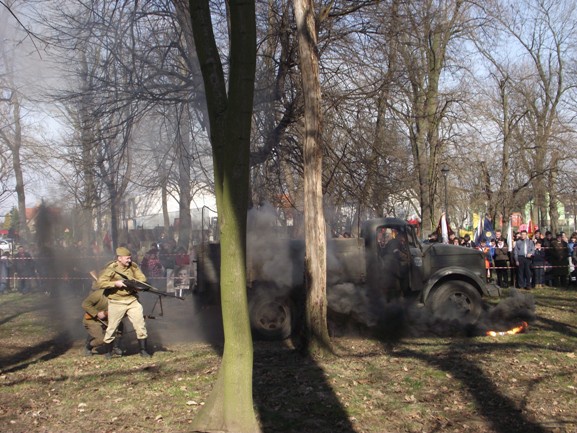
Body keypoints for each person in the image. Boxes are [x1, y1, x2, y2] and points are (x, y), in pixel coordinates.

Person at [95, 246, 152, 358]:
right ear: (119, 258)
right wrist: (115, 283)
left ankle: (143, 351)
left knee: (140, 326)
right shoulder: (111, 268)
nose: (129, 260)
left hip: (132, 300)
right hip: (116, 302)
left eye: (130, 258)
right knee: (112, 328)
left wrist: (135, 284)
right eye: (127, 258)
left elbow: (143, 279)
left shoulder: (133, 267)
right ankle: (108, 352)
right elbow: (100, 283)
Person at [81, 288, 123, 356]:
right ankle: (88, 346)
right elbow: (85, 304)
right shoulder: (98, 294)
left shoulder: (121, 296)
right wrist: (97, 313)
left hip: (107, 319)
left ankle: (115, 347)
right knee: (102, 340)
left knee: (120, 326)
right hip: (92, 320)